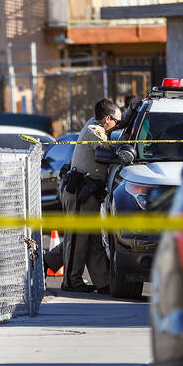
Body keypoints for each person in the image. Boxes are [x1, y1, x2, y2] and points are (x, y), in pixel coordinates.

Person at [59, 98, 121, 293]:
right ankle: (71, 281)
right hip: (80, 192)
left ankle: (103, 283)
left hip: (89, 193)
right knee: (77, 239)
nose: (117, 126)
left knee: (93, 240)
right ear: (107, 119)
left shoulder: (93, 124)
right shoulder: (95, 131)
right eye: (117, 122)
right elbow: (108, 152)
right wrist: (124, 151)